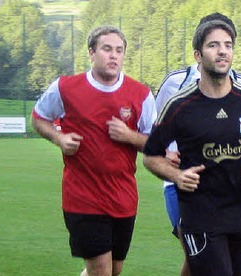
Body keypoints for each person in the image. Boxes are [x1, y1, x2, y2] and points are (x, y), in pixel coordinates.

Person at [142, 19, 241, 276]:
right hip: (200, 217)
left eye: (228, 45)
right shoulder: (180, 105)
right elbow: (151, 156)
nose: (222, 51)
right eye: (213, 45)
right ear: (198, 55)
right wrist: (177, 176)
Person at [31, 26, 156, 276]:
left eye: (119, 50)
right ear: (91, 53)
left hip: (123, 197)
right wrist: (59, 138)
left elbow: (156, 144)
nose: (114, 56)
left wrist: (128, 135)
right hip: (82, 198)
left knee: (114, 270)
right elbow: (38, 118)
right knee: (101, 270)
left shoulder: (140, 95)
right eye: (107, 49)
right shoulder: (66, 88)